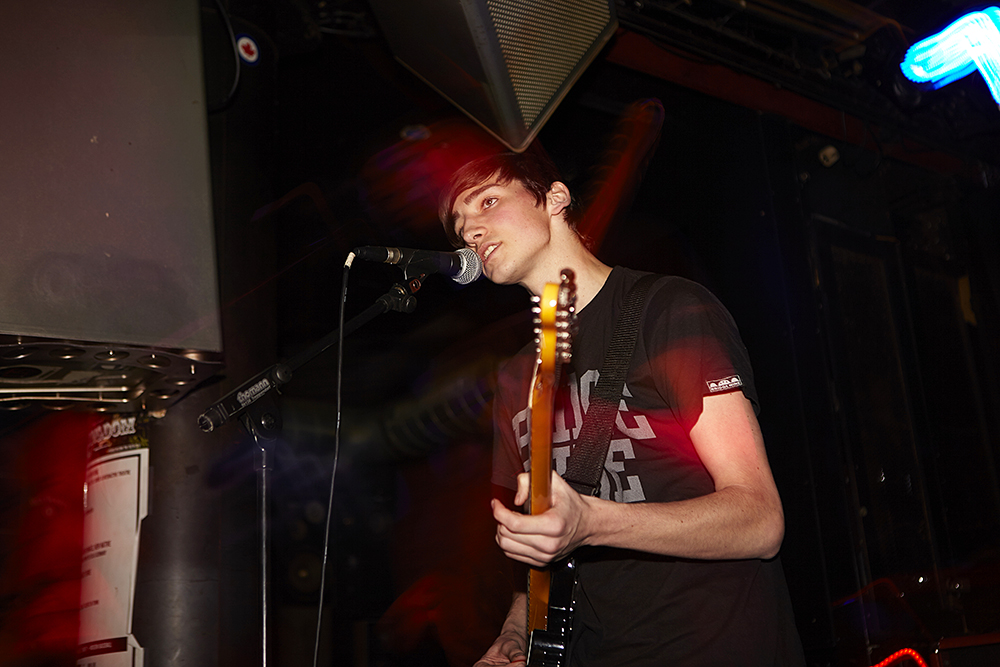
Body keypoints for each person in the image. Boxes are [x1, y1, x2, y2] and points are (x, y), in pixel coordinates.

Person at [439, 150, 804, 666]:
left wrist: (592, 522)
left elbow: (761, 521)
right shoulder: (517, 377)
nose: (470, 231)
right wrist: (515, 631)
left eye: (487, 202)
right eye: (460, 225)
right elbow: (538, 543)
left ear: (555, 199)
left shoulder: (669, 309)